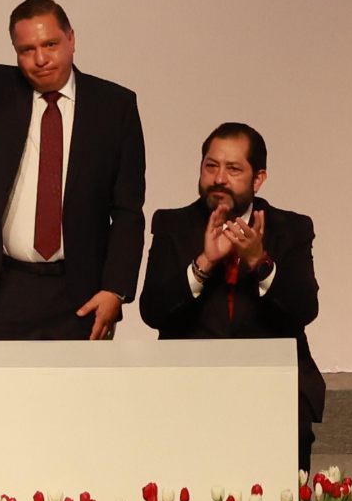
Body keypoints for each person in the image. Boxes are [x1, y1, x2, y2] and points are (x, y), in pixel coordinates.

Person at [0, 0, 146, 340]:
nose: (40, 59)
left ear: (71, 39)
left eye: (50, 44)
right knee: (7, 393)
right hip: (6, 285)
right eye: (27, 50)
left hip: (83, 288)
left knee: (82, 394)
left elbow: (127, 208)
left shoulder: (114, 105)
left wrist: (115, 289)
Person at [139, 123, 324, 470]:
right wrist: (204, 264)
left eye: (233, 169)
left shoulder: (291, 228)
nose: (219, 178)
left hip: (273, 388)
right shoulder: (172, 225)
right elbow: (153, 311)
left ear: (258, 178)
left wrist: (259, 261)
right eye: (211, 166)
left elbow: (304, 308)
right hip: (188, 387)